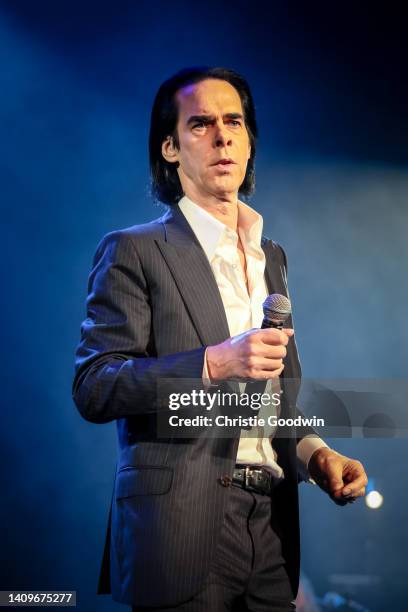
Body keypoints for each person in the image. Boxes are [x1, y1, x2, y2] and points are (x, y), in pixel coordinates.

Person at [73, 67, 368, 611]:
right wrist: (211, 362)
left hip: (272, 525)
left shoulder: (270, 257)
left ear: (250, 141)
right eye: (201, 124)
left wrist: (316, 454)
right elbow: (95, 386)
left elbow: (274, 406)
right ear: (170, 147)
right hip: (180, 526)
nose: (222, 135)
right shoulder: (134, 250)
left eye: (234, 121)